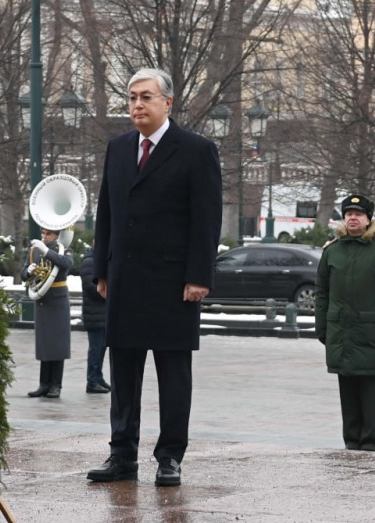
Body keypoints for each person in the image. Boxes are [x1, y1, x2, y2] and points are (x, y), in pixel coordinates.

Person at [87, 68, 222, 487]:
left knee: (173, 374)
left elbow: (207, 218)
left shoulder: (196, 150)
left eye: (146, 97)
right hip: (125, 280)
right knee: (124, 372)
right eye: (131, 98)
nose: (137, 105)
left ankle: (170, 456)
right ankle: (121, 454)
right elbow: (105, 212)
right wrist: (102, 269)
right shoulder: (119, 147)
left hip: (173, 283)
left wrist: (199, 275)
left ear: (168, 103)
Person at [315, 194, 375, 452]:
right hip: (340, 332)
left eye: (358, 214)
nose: (353, 218)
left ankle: (370, 443)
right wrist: (322, 326)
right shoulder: (332, 250)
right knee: (347, 388)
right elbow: (322, 292)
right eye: (348, 214)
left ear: (368, 219)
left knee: (368, 389)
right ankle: (351, 441)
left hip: (370, 332)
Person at [21, 228, 73, 398]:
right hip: (42, 300)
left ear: (56, 235)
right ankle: (44, 384)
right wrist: (28, 272)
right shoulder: (34, 250)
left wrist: (47, 251)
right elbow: (23, 273)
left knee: (57, 344)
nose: (44, 237)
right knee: (44, 343)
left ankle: (56, 385)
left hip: (57, 300)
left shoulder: (63, 249)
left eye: (48, 234)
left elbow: (66, 264)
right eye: (43, 233)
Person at [78, 242, 110, 393]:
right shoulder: (89, 262)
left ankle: (98, 377)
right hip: (94, 315)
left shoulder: (97, 260)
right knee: (96, 350)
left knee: (101, 349)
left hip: (100, 314)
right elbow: (91, 287)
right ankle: (92, 381)